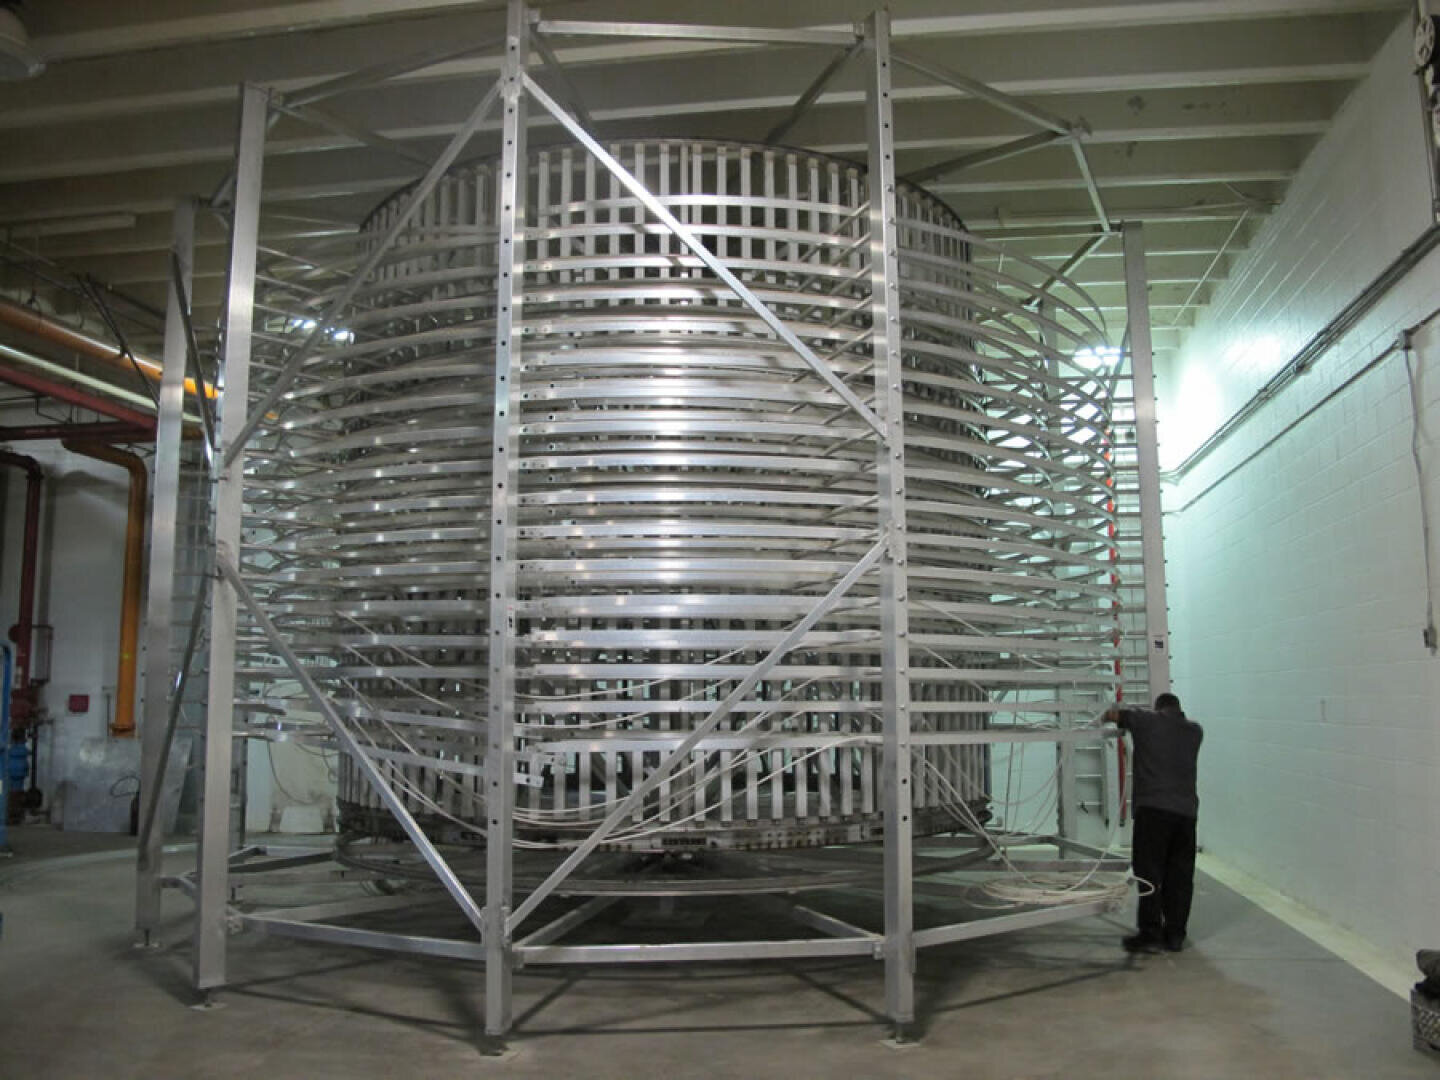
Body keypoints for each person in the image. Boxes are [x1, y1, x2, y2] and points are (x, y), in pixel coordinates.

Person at [1103, 692, 1203, 954]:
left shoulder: (1147, 722)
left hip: (1154, 812)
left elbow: (1114, 714)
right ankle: (1175, 934)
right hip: (1186, 815)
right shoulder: (1195, 732)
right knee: (1180, 876)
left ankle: (1150, 932)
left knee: (1149, 874)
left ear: (1159, 709)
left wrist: (1104, 714)